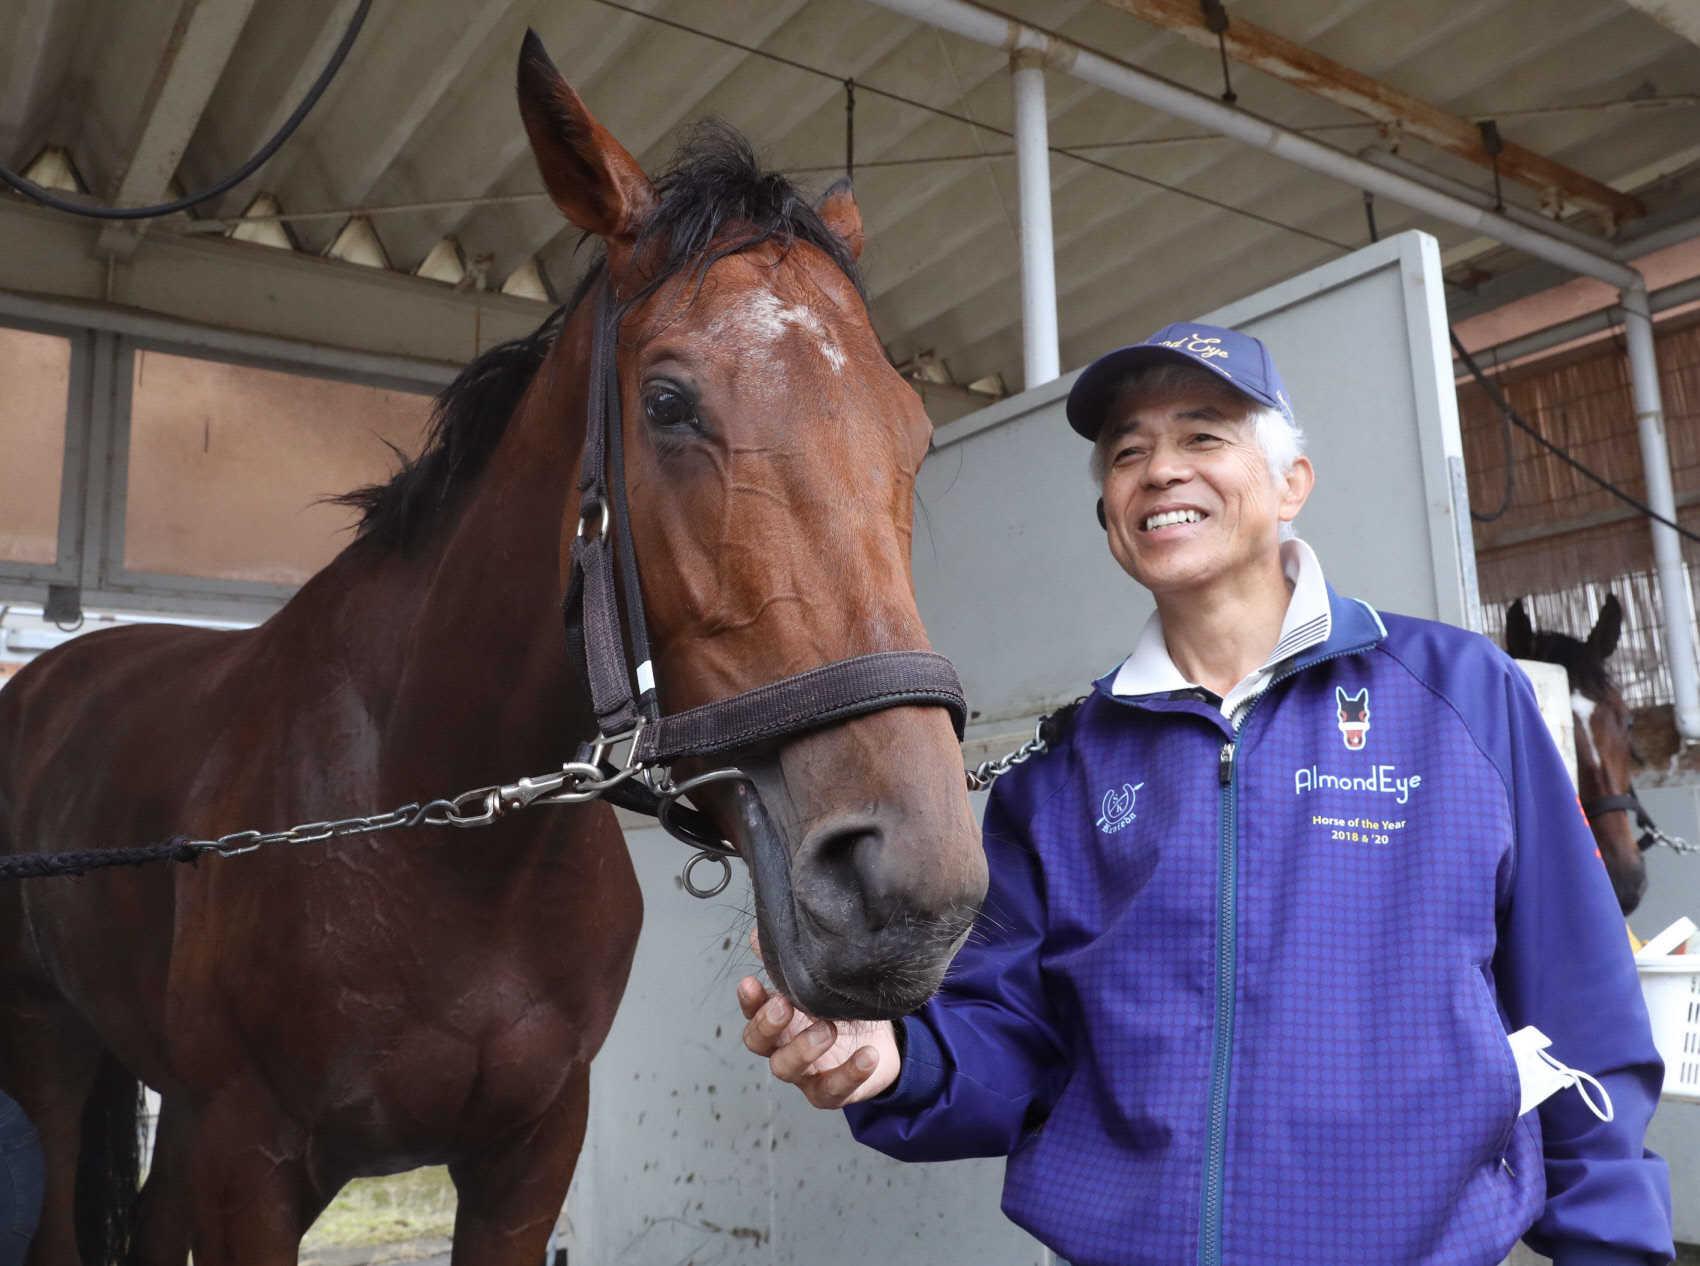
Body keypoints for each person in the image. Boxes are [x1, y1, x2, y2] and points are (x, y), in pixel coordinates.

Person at [737, 323, 1674, 1266]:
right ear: (1109, 515)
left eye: (1203, 436)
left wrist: (1615, 1246)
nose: (1160, 470)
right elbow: (1013, 1040)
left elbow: (1579, 1017)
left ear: (1290, 484)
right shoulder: (1059, 775)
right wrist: (894, 1060)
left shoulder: (1462, 697)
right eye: (1127, 453)